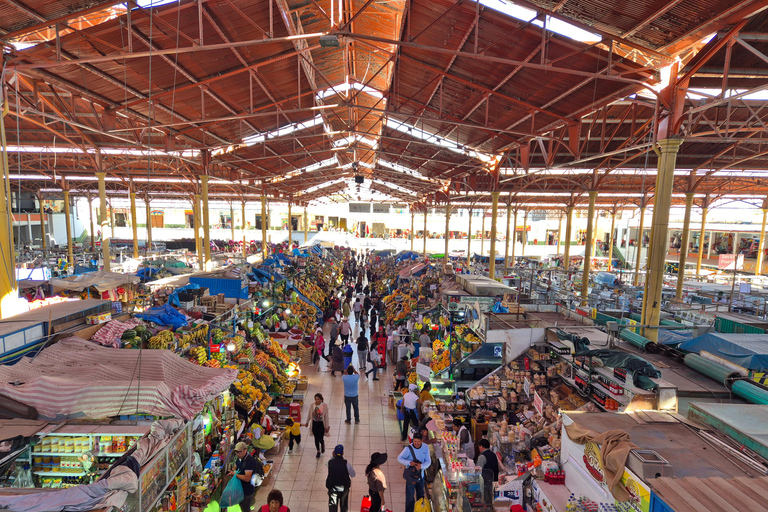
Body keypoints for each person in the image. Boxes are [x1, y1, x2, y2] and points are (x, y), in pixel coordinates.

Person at [397, 435, 431, 512]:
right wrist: (409, 463)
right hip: (411, 478)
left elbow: (428, 461)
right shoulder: (408, 449)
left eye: (418, 441)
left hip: (421, 477)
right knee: (410, 498)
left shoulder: (425, 447)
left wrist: (421, 466)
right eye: (415, 441)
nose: (416, 443)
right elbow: (399, 458)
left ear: (421, 441)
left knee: (421, 496)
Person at [227, 441, 258, 512]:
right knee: (242, 507)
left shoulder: (250, 461)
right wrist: (233, 470)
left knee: (245, 509)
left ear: (245, 450)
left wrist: (234, 474)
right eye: (237, 452)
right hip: (240, 490)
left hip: (247, 491)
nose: (238, 454)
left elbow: (247, 478)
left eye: (240, 452)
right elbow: (236, 466)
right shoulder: (240, 458)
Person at [326, 444, 355, 512]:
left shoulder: (330, 462)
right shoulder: (346, 463)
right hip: (344, 488)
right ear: (342, 453)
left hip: (333, 488)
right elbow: (353, 474)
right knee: (343, 505)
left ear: (334, 453)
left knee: (332, 506)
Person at [304, 393, 329, 458]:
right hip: (314, 424)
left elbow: (326, 417)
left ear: (321, 399)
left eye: (318, 399)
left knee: (320, 438)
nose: (316, 401)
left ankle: (322, 444)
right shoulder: (312, 406)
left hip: (321, 424)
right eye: (315, 399)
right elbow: (310, 415)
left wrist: (327, 426)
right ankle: (318, 451)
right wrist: (307, 422)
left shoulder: (324, 406)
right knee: (316, 438)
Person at [476, 439, 499, 503]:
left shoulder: (482, 456)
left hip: (486, 482)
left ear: (481, 447)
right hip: (494, 481)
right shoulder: (493, 454)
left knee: (487, 500)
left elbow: (478, 470)